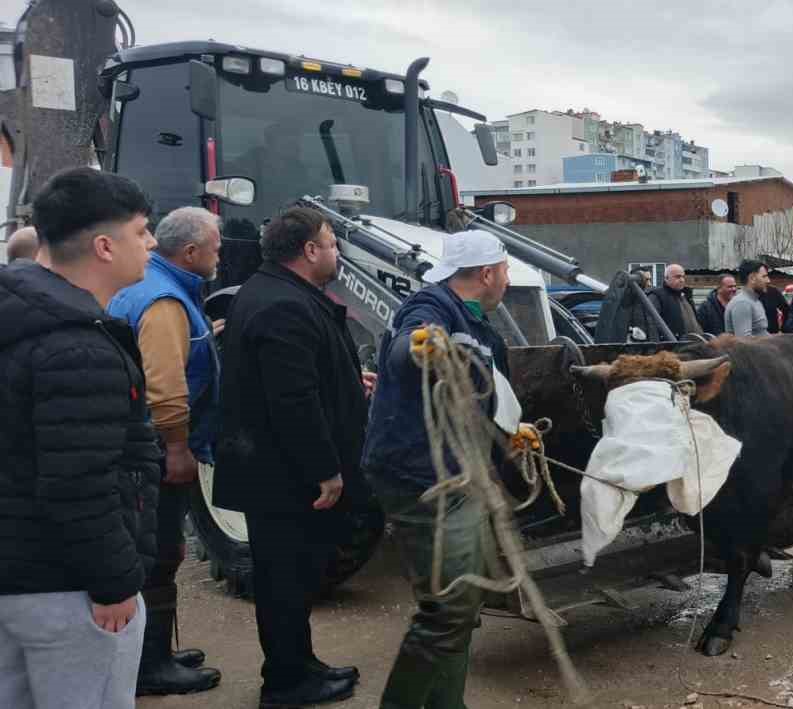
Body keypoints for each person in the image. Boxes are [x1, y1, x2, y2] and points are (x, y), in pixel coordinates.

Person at [0, 167, 161, 709]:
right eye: (141, 230)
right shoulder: (77, 348)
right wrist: (115, 581)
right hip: (69, 588)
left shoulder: (20, 314)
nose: (152, 242)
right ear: (103, 246)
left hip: (17, 575)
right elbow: (77, 482)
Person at [214, 207, 370, 707]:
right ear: (309, 251)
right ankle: (286, 684)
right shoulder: (283, 304)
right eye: (331, 243)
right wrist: (324, 470)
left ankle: (301, 664)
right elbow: (291, 401)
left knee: (295, 575)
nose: (336, 251)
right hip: (282, 476)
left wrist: (348, 375)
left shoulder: (280, 293)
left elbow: (302, 373)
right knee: (284, 580)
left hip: (278, 470)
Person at [362, 230, 523, 708]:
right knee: (447, 611)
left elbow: (490, 400)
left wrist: (515, 435)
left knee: (463, 604)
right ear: (489, 273)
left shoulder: (484, 331)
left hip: (457, 473)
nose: (507, 282)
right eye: (506, 272)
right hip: (420, 478)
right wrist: (421, 348)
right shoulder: (431, 308)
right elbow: (409, 346)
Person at [106, 207, 225, 696]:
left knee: (156, 546)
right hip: (158, 446)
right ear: (191, 252)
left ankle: (152, 650)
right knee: (162, 550)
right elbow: (166, 387)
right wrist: (177, 447)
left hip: (138, 442)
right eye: (216, 247)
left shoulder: (156, 287)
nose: (220, 254)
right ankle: (150, 664)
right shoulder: (164, 303)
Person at [646, 264, 703, 339]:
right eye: (677, 277)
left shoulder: (686, 295)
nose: (682, 280)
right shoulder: (657, 296)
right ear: (666, 278)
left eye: (683, 277)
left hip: (694, 344)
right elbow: (652, 324)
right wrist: (656, 346)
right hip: (673, 346)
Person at [724, 259, 770, 337]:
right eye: (764, 276)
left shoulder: (754, 300)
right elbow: (744, 342)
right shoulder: (742, 303)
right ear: (752, 278)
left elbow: (762, 334)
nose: (768, 280)